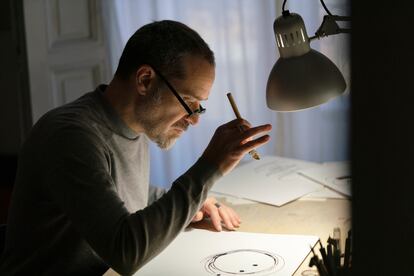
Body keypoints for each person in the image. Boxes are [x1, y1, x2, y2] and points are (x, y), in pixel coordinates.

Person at [0, 20, 271, 275]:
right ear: (145, 80)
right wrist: (208, 169)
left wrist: (193, 205)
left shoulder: (135, 126)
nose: (195, 119)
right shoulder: (70, 136)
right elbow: (125, 251)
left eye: (199, 106)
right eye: (189, 102)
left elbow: (122, 193)